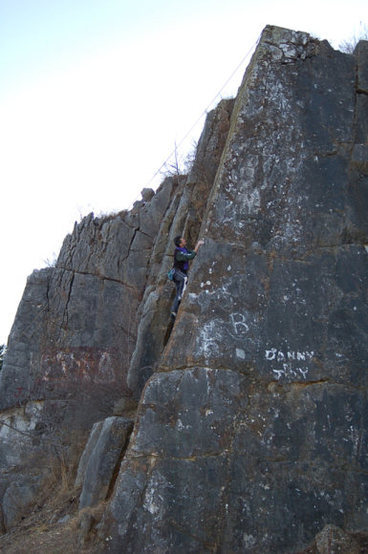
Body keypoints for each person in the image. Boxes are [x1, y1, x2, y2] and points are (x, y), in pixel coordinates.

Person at [170, 235, 204, 319]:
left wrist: (196, 248)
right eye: (183, 240)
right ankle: (182, 296)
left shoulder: (183, 249)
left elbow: (191, 252)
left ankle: (174, 312)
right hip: (176, 272)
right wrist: (198, 244)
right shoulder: (178, 253)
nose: (185, 240)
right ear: (180, 244)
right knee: (184, 278)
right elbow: (190, 256)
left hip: (181, 272)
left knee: (179, 292)